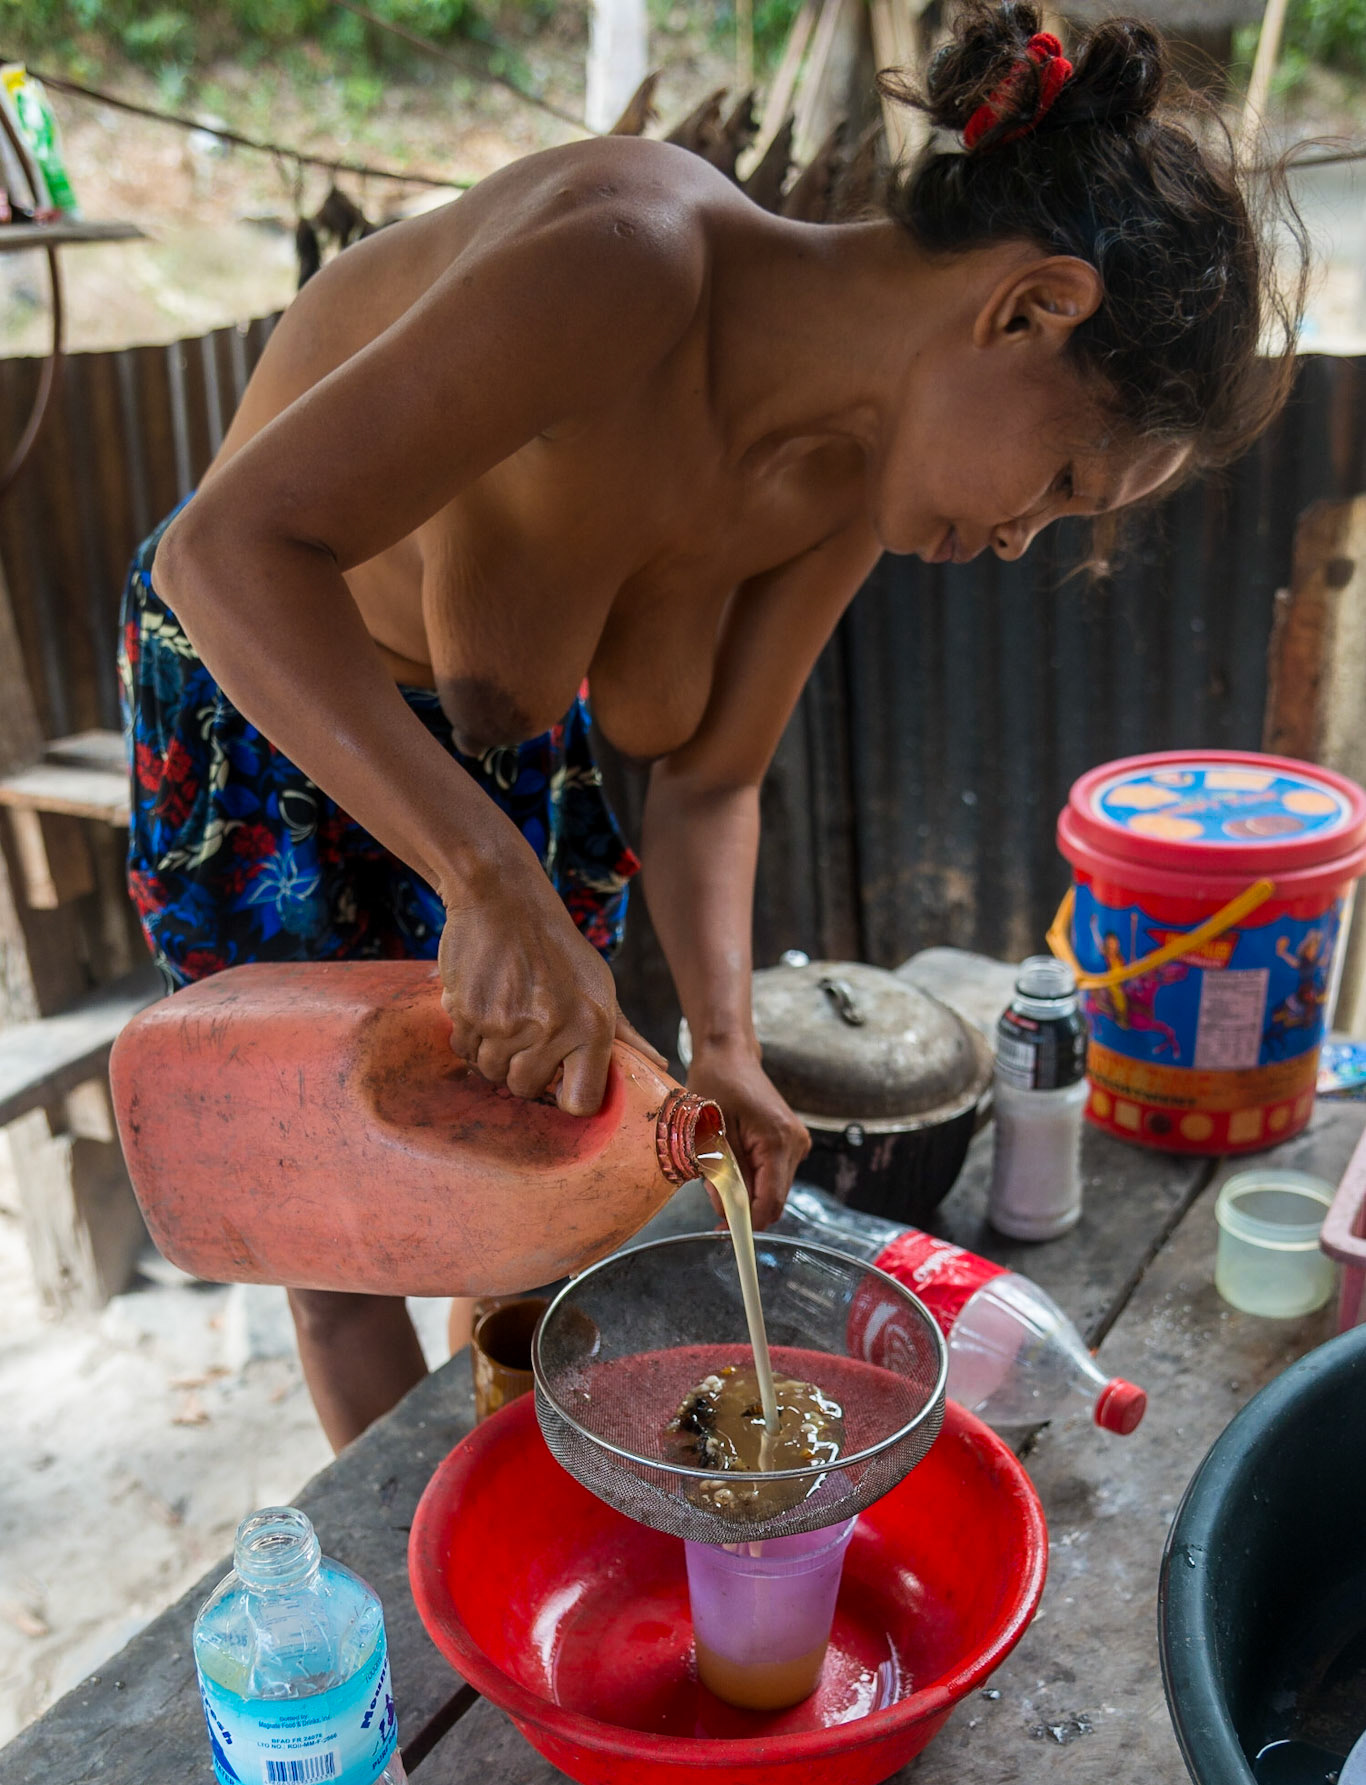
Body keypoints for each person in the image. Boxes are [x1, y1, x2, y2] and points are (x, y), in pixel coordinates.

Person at [121, 0, 1302, 1450]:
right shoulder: (626, 260)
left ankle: (502, 1527)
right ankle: (419, 1603)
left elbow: (711, 777)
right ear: (1028, 307)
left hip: (491, 777)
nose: (1018, 538)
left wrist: (727, 1040)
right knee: (344, 1230)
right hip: (272, 694)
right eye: (1060, 482)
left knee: (516, 1187)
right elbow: (227, 555)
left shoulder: (845, 475)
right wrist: (484, 876)